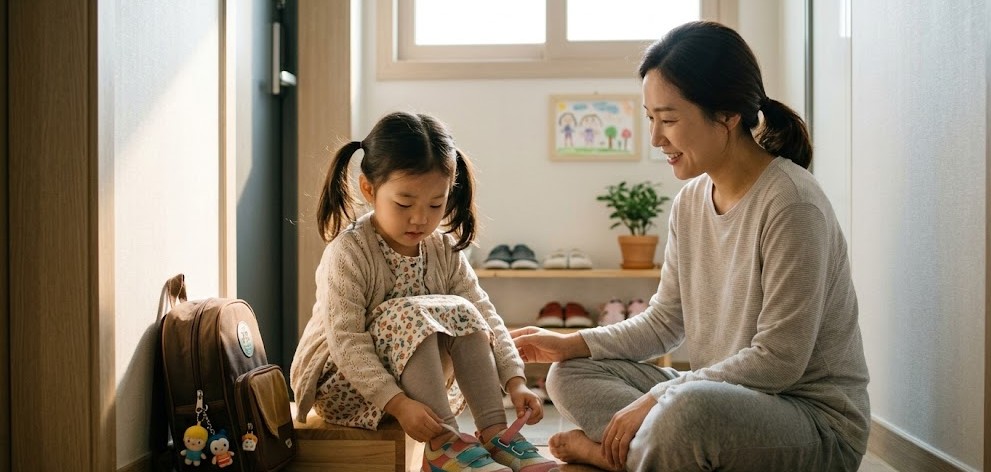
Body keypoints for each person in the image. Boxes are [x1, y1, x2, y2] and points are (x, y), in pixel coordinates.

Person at [511, 21, 869, 472]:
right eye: (650, 118)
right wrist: (572, 342)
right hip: (719, 397)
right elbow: (665, 322)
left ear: (727, 114)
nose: (656, 138)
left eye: (669, 120)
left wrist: (663, 396)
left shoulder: (792, 204)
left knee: (687, 412)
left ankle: (613, 454)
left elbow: (779, 362)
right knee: (571, 372)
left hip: (812, 424)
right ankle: (643, 453)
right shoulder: (690, 202)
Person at [290, 111, 559, 472]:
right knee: (412, 312)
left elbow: (484, 314)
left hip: (418, 386)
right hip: (346, 386)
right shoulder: (349, 252)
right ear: (369, 189)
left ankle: (496, 433)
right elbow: (346, 342)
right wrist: (398, 403)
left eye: (435, 204)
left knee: (464, 308)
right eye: (404, 204)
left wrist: (515, 381)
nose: (420, 218)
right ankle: (444, 444)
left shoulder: (443, 248)